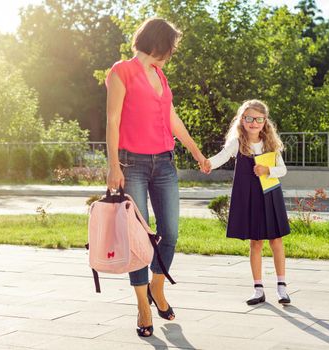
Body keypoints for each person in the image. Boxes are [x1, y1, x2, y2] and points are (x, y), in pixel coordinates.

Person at [105, 18, 207, 337]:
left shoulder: (161, 76)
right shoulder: (121, 71)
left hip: (164, 162)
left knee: (170, 233)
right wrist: (113, 166)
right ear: (157, 42)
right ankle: (143, 306)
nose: (171, 53)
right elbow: (111, 120)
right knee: (138, 241)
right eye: (170, 47)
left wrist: (195, 150)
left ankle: (157, 286)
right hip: (130, 162)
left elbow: (171, 118)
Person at [202, 99, 291, 305]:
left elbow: (283, 170)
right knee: (255, 242)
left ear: (264, 121)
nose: (254, 123)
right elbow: (222, 157)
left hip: (270, 194)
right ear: (242, 120)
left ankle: (281, 286)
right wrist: (208, 164)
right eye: (249, 118)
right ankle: (258, 288)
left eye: (258, 119)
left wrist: (267, 170)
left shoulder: (270, 144)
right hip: (249, 196)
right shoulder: (237, 143)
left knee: (276, 240)